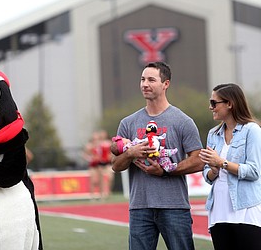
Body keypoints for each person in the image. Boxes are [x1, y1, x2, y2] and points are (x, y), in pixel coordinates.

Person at [111, 61, 204, 250]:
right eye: (142, 79)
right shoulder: (128, 122)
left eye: (151, 80)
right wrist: (130, 153)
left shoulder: (183, 121)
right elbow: (116, 165)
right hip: (140, 207)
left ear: (166, 84)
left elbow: (199, 160)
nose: (145, 84)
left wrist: (166, 171)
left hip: (175, 207)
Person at [199, 83, 261, 250]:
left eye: (214, 103)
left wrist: (222, 163)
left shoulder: (252, 130)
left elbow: (254, 171)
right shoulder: (213, 134)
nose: (210, 107)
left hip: (246, 209)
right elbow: (208, 175)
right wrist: (213, 169)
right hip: (218, 210)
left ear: (230, 103)